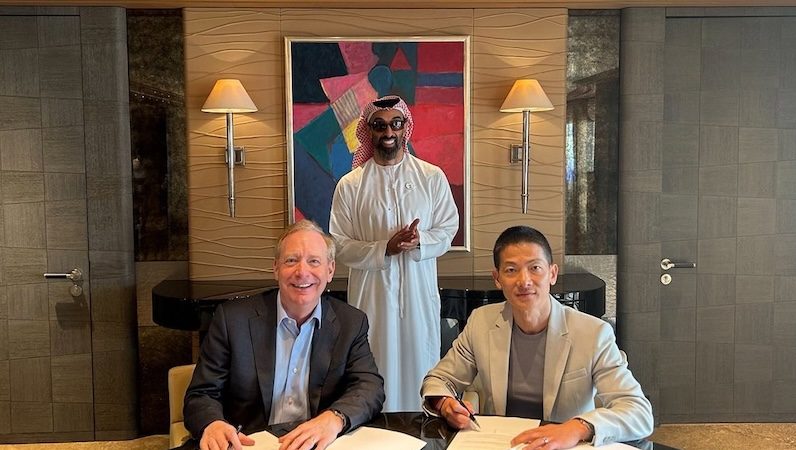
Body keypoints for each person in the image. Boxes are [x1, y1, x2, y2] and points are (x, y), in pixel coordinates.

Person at [421, 226, 654, 449]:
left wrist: (577, 428)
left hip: (564, 446)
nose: (524, 281)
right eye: (511, 270)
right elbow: (438, 379)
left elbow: (638, 412)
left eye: (535, 268)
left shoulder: (593, 333)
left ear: (552, 274)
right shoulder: (481, 322)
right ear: (497, 278)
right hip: (502, 444)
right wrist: (445, 403)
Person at [184, 220, 385, 450]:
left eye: (314, 261)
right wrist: (213, 423)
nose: (302, 272)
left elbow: (370, 387)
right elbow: (201, 394)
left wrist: (334, 418)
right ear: (276, 268)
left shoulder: (351, 322)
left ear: (330, 270)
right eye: (291, 260)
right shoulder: (232, 320)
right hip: (249, 444)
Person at [329, 95, 459, 411]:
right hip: (372, 299)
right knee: (374, 365)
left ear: (405, 128)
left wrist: (420, 243)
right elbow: (340, 245)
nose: (388, 131)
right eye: (379, 125)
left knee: (421, 367)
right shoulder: (350, 185)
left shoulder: (431, 177)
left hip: (418, 297)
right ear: (368, 131)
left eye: (395, 124)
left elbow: (448, 227)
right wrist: (383, 249)